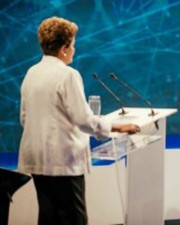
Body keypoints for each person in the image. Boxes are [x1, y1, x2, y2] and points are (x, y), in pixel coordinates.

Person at [18, 16, 140, 225]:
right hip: (62, 161)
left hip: (37, 159)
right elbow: (83, 119)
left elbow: (24, 118)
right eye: (73, 45)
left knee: (48, 217)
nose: (74, 50)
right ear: (64, 48)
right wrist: (117, 127)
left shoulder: (32, 73)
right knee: (73, 218)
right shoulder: (68, 75)